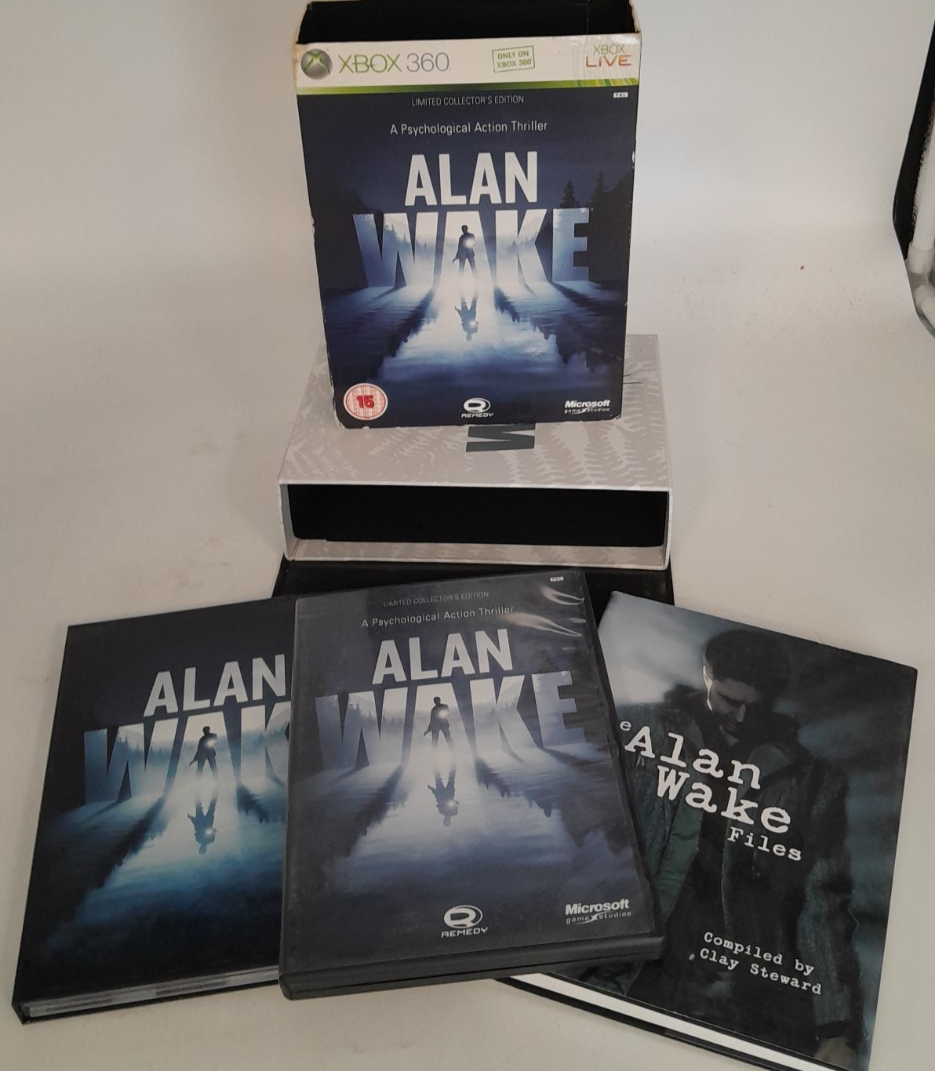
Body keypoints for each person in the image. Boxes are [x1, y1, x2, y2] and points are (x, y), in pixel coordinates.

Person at [593, 629, 863, 1069]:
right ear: (707, 675)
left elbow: (822, 905)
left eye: (756, 706)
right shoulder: (633, 727)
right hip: (615, 964)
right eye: (727, 699)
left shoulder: (813, 782)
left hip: (728, 996)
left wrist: (836, 1029)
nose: (740, 717)